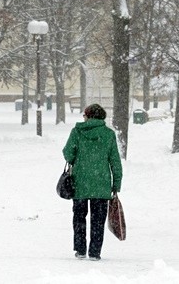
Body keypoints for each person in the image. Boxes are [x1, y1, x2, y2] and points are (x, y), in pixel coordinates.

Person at [62, 103, 123, 261]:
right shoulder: (108, 134)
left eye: (84, 115)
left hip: (80, 183)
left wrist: (78, 157)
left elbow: (68, 154)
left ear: (88, 116)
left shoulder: (77, 132)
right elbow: (115, 161)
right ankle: (95, 252)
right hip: (101, 185)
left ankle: (80, 250)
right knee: (98, 221)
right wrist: (116, 184)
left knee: (79, 218)